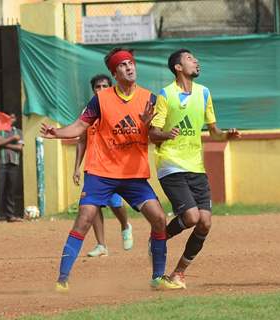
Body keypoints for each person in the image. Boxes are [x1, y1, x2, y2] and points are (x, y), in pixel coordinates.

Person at [41, 48, 182, 292]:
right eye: (123, 65)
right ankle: (62, 280)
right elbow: (78, 127)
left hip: (133, 175)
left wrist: (150, 126)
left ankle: (157, 277)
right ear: (115, 72)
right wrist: (56, 133)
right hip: (101, 172)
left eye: (131, 63)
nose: (130, 67)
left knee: (159, 218)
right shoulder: (101, 99)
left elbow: (155, 137)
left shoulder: (149, 99)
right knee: (84, 219)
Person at [149, 49, 240, 289]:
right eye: (190, 59)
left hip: (195, 167)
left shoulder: (204, 93)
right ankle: (159, 238)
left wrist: (226, 135)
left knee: (205, 223)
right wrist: (166, 134)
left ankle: (178, 273)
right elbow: (153, 133)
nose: (196, 61)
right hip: (170, 164)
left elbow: (214, 133)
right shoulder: (166, 94)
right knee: (191, 217)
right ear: (178, 67)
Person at [73, 74, 133, 257]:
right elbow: (81, 140)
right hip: (93, 166)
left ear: (111, 87)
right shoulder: (88, 111)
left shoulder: (118, 108)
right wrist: (76, 167)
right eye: (97, 87)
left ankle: (125, 224)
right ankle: (101, 245)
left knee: (115, 203)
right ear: (93, 90)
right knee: (93, 205)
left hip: (114, 166)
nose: (101, 90)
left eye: (105, 86)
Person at [0, 113, 24, 222]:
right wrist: (12, 139)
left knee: (11, 190)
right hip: (1, 163)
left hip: (13, 163)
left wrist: (4, 143)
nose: (10, 119)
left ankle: (10, 215)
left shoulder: (19, 132)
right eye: (8, 117)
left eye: (12, 117)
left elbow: (20, 148)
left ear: (15, 119)